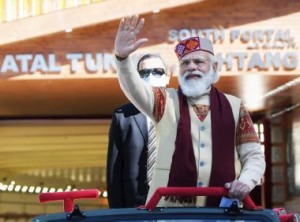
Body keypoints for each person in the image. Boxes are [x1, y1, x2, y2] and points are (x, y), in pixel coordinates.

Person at [113, 15, 266, 207]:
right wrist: (122, 58)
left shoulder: (235, 106)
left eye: (198, 62)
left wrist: (246, 181)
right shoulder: (164, 101)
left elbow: (253, 156)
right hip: (170, 212)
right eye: (185, 63)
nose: (191, 67)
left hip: (223, 209)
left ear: (214, 67)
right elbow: (134, 88)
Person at [106, 53, 170, 208]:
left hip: (174, 204)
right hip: (134, 206)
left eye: (157, 71)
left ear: (168, 76)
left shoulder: (182, 111)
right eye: (144, 73)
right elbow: (114, 171)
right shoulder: (123, 116)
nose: (151, 76)